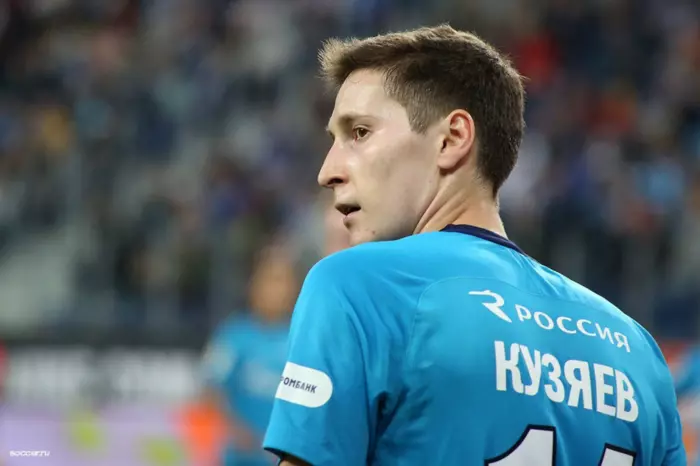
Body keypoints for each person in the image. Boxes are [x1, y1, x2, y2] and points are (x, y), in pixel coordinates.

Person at [262, 25, 686, 465]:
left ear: (452, 139)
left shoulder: (358, 287)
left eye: (360, 132)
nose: (327, 171)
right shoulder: (636, 351)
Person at [201, 241, 298, 466]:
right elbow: (210, 390)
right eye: (271, 280)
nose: (277, 290)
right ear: (254, 285)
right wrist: (238, 431)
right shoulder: (234, 335)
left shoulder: (302, 340)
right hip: (241, 459)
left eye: (284, 281)